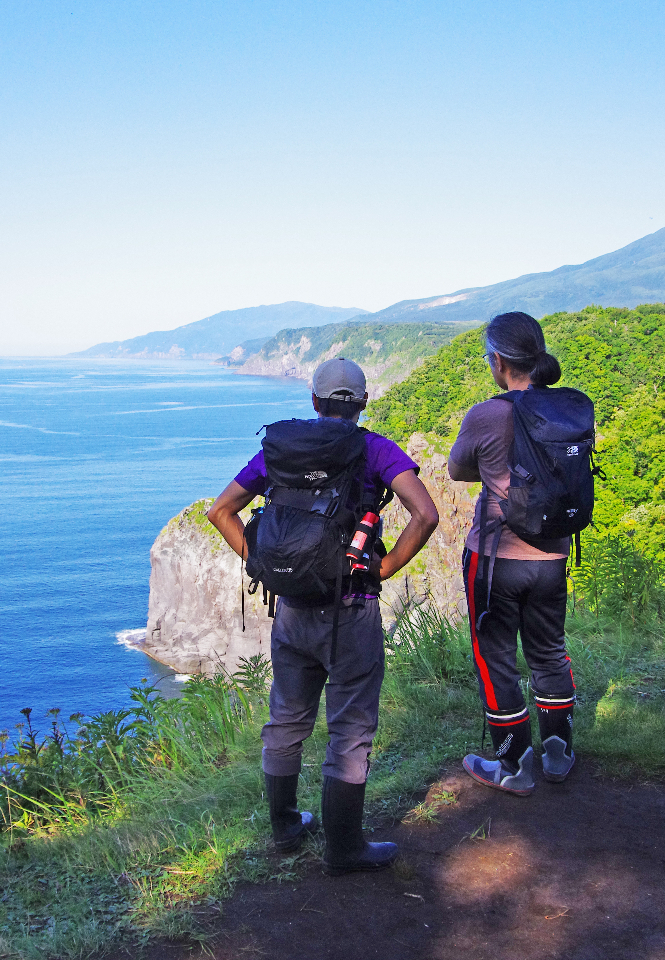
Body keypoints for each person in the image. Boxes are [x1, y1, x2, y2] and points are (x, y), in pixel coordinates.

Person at [207, 357, 439, 874]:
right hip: (351, 609)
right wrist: (386, 566)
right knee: (349, 729)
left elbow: (219, 511)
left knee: (286, 719)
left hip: (290, 609)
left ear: (313, 401)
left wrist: (263, 564)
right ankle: (345, 849)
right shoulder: (373, 447)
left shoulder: (283, 450)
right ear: (360, 404)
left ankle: (287, 828)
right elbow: (425, 513)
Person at [448, 312, 578, 796]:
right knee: (548, 651)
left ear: (498, 361)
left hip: (496, 559)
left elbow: (458, 470)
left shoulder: (488, 413)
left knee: (496, 656)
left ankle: (514, 764)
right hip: (552, 556)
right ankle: (558, 752)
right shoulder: (566, 409)